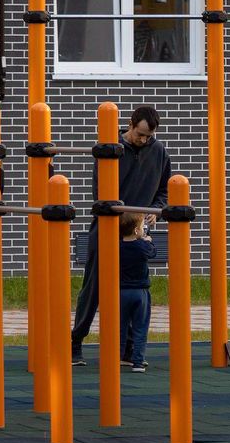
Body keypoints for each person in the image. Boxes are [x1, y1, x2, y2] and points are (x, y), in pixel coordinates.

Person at [71, 105, 172, 366]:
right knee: (94, 287)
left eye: (149, 136)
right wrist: (121, 214)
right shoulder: (110, 149)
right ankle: (76, 341)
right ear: (130, 124)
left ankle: (128, 349)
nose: (144, 140)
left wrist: (157, 208)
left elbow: (164, 188)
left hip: (137, 229)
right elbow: (100, 191)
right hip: (108, 224)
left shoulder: (159, 151)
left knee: (132, 287)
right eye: (140, 134)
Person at [117, 212, 155, 372]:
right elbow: (152, 252)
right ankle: (138, 362)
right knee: (140, 327)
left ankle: (116, 358)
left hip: (121, 292)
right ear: (136, 230)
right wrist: (148, 241)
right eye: (142, 227)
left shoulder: (117, 247)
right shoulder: (142, 247)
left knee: (121, 327)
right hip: (140, 291)